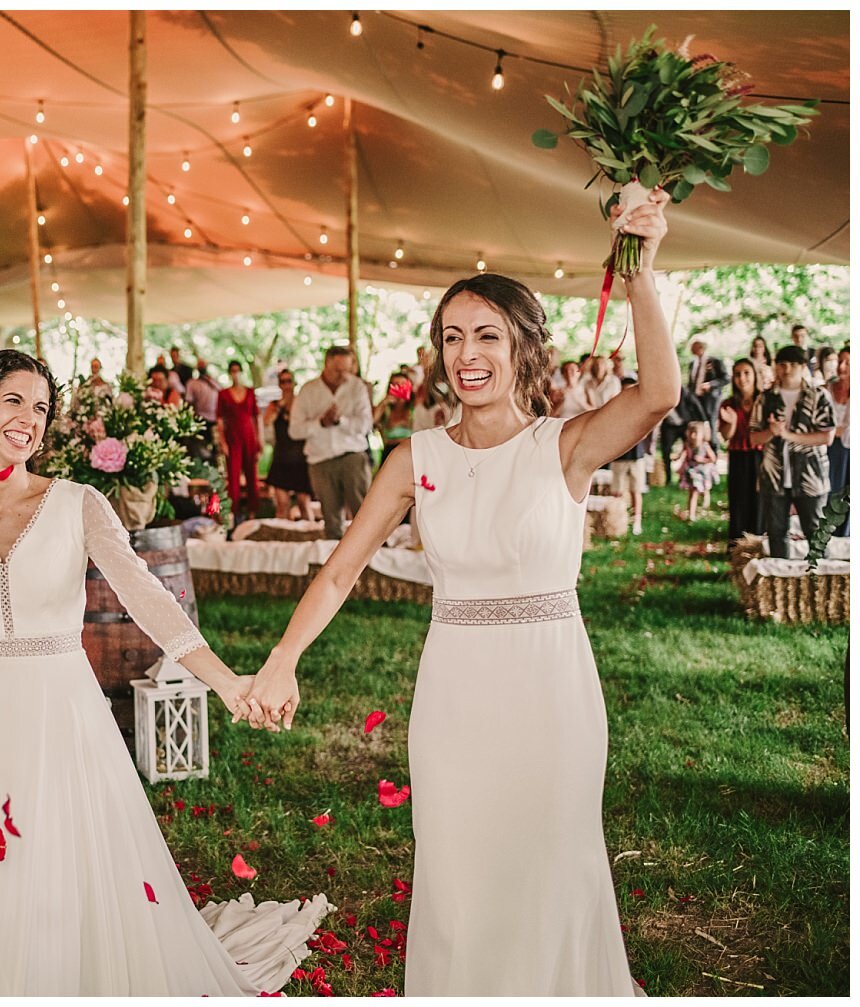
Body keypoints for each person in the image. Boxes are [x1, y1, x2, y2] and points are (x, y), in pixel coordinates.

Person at [0, 350, 329, 995]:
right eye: (14, 401)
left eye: (41, 407)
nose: (29, 419)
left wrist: (227, 681)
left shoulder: (79, 503)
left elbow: (150, 600)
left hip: (62, 701)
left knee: (67, 846)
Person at [245, 192, 676, 996]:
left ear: (521, 348)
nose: (466, 353)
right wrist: (282, 660)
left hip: (551, 687)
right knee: (459, 865)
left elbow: (657, 395)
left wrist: (640, 270)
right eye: (452, 336)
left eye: (486, 335)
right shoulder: (415, 457)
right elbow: (341, 568)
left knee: (552, 854)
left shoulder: (566, 443)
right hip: (454, 693)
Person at [750, 345, 836, 559]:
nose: (787, 369)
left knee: (815, 532)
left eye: (793, 364)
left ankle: (819, 584)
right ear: (776, 367)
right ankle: (782, 584)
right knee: (777, 533)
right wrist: (771, 431)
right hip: (774, 477)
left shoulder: (818, 396)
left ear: (802, 366)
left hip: (810, 477)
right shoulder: (765, 398)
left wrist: (788, 435)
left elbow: (827, 437)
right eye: (782, 364)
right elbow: (753, 438)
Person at [289, 346, 373, 540]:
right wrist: (320, 423)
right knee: (331, 519)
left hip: (352, 457)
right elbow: (294, 430)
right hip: (320, 460)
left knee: (365, 513)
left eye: (346, 369)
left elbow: (365, 425)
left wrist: (340, 421)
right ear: (326, 365)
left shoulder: (357, 387)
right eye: (337, 370)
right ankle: (336, 561)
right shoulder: (308, 390)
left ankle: (374, 557)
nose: (342, 375)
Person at [718, 359, 764, 542]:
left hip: (761, 455)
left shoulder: (764, 400)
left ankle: (758, 544)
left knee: (759, 501)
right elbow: (726, 436)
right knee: (739, 501)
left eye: (746, 373)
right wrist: (733, 422)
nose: (741, 378)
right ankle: (737, 546)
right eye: (737, 374)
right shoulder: (728, 403)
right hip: (738, 455)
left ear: (754, 375)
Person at [262, 369, 316, 521]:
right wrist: (280, 407)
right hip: (281, 458)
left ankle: (310, 535)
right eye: (282, 382)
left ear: (294, 383)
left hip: (300, 458)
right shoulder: (274, 405)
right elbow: (266, 422)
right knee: (282, 505)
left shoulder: (302, 404)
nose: (286, 385)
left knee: (303, 503)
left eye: (288, 381)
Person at [216, 360, 261, 523]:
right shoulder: (223, 394)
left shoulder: (250, 392)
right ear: (229, 373)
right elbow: (220, 420)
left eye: (237, 370)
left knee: (252, 476)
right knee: (233, 478)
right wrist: (223, 442)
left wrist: (259, 441)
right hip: (233, 437)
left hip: (249, 437)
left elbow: (257, 418)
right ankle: (232, 514)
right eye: (232, 371)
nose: (235, 374)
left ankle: (252, 513)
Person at [609, 376, 651, 536]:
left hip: (636, 455)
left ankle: (637, 520)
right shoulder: (614, 409)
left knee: (636, 489)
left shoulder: (643, 410)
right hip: (619, 455)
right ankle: (617, 521)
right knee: (617, 490)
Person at [685, 340, 727, 446]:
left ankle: (713, 449)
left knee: (711, 425)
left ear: (701, 348)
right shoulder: (692, 364)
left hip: (710, 400)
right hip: (695, 401)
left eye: (696, 347)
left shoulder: (714, 361)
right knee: (697, 426)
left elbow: (726, 378)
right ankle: (700, 451)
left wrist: (710, 385)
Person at [677, 420, 719, 521]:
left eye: (695, 433)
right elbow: (683, 455)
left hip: (702, 472)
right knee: (693, 492)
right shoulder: (687, 444)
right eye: (691, 432)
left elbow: (713, 459)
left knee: (699, 490)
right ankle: (691, 514)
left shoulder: (704, 445)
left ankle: (705, 496)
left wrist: (703, 460)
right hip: (692, 473)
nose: (693, 435)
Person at [828, 347, 850, 536]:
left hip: (849, 448)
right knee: (831, 492)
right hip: (829, 447)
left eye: (848, 363)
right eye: (840, 361)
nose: (842, 366)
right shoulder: (828, 388)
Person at [373, 371, 414, 466]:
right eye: (395, 384)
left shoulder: (414, 407)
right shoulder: (386, 409)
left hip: (411, 454)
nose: (399, 388)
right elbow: (372, 421)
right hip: (390, 454)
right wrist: (384, 403)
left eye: (403, 384)